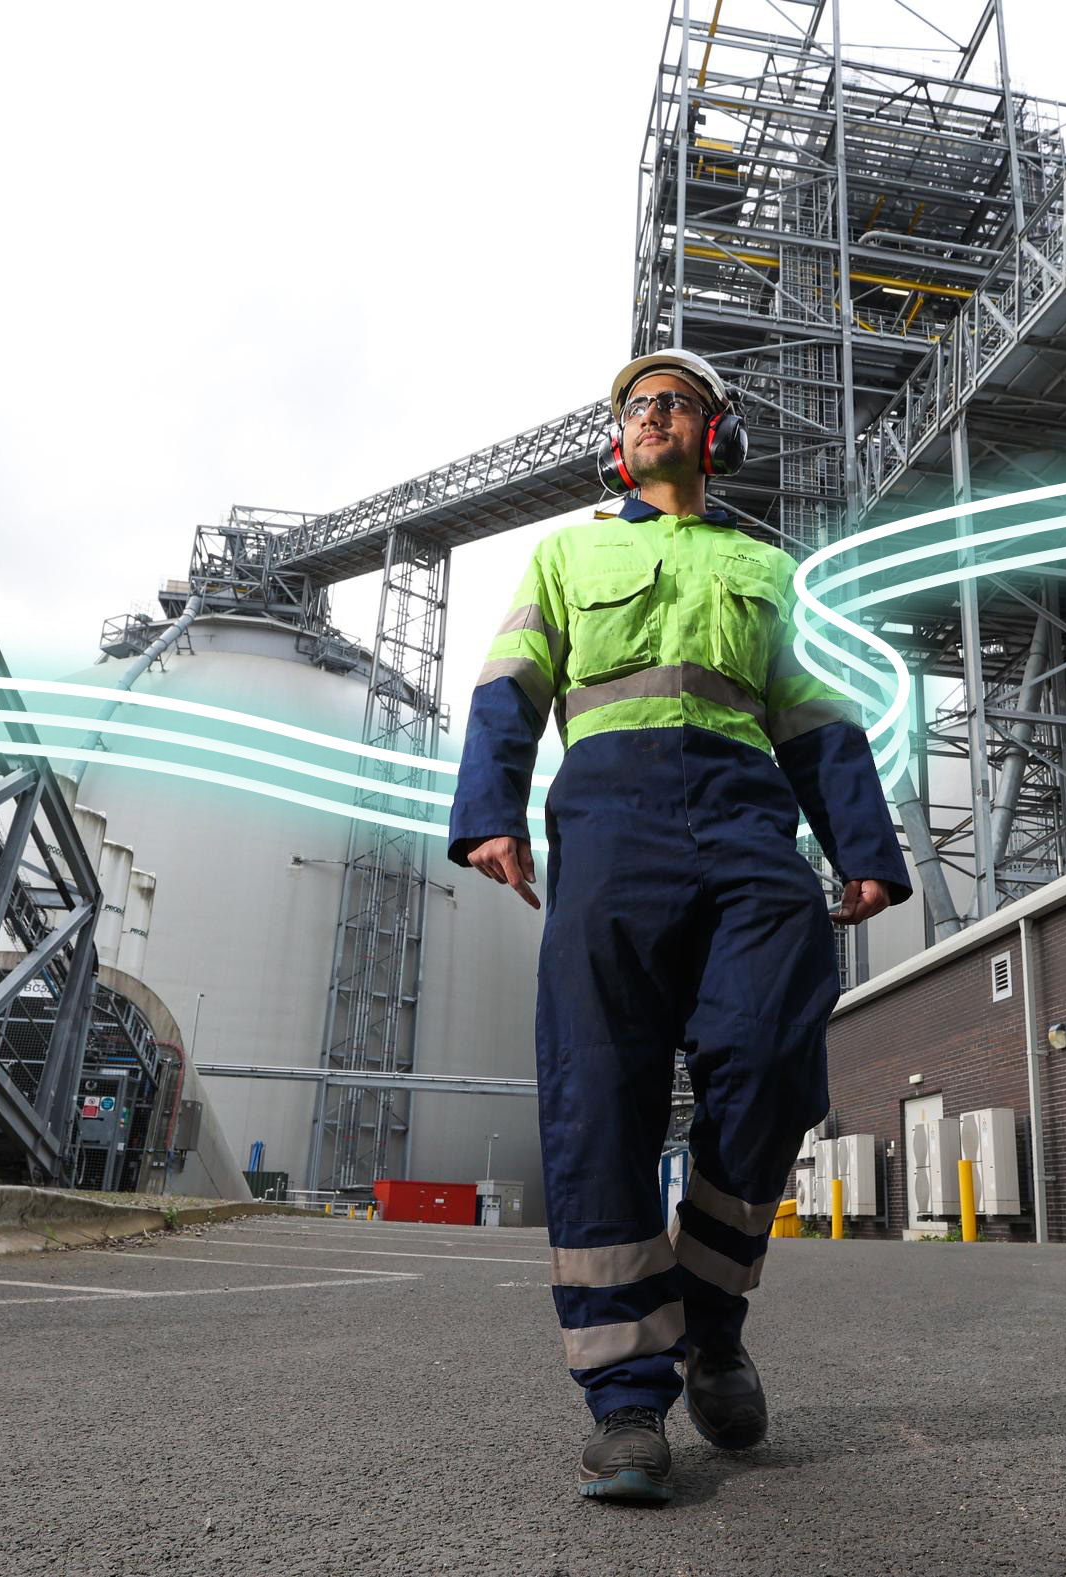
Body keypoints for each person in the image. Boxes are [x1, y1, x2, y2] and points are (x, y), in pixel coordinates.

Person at [446, 347, 912, 1503]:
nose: (655, 416)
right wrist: (489, 812)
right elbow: (509, 687)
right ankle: (626, 1403)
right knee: (599, 1093)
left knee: (770, 1055)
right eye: (637, 406)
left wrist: (863, 843)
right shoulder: (568, 550)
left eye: (677, 404)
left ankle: (711, 1315)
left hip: (751, 828)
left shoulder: (767, 564)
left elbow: (815, 715)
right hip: (611, 831)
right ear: (619, 438)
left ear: (715, 432)